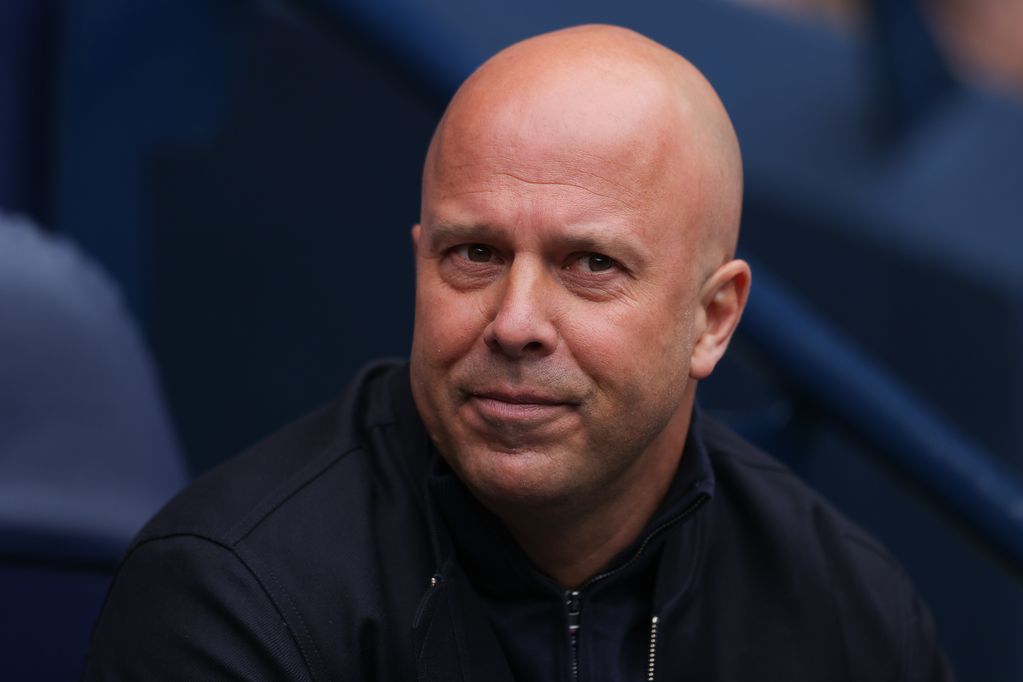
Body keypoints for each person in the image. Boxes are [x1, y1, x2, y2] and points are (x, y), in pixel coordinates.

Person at [84, 25, 953, 680]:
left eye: (590, 265)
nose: (514, 321)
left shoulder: (843, 613)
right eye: (475, 254)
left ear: (712, 319)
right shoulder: (234, 599)